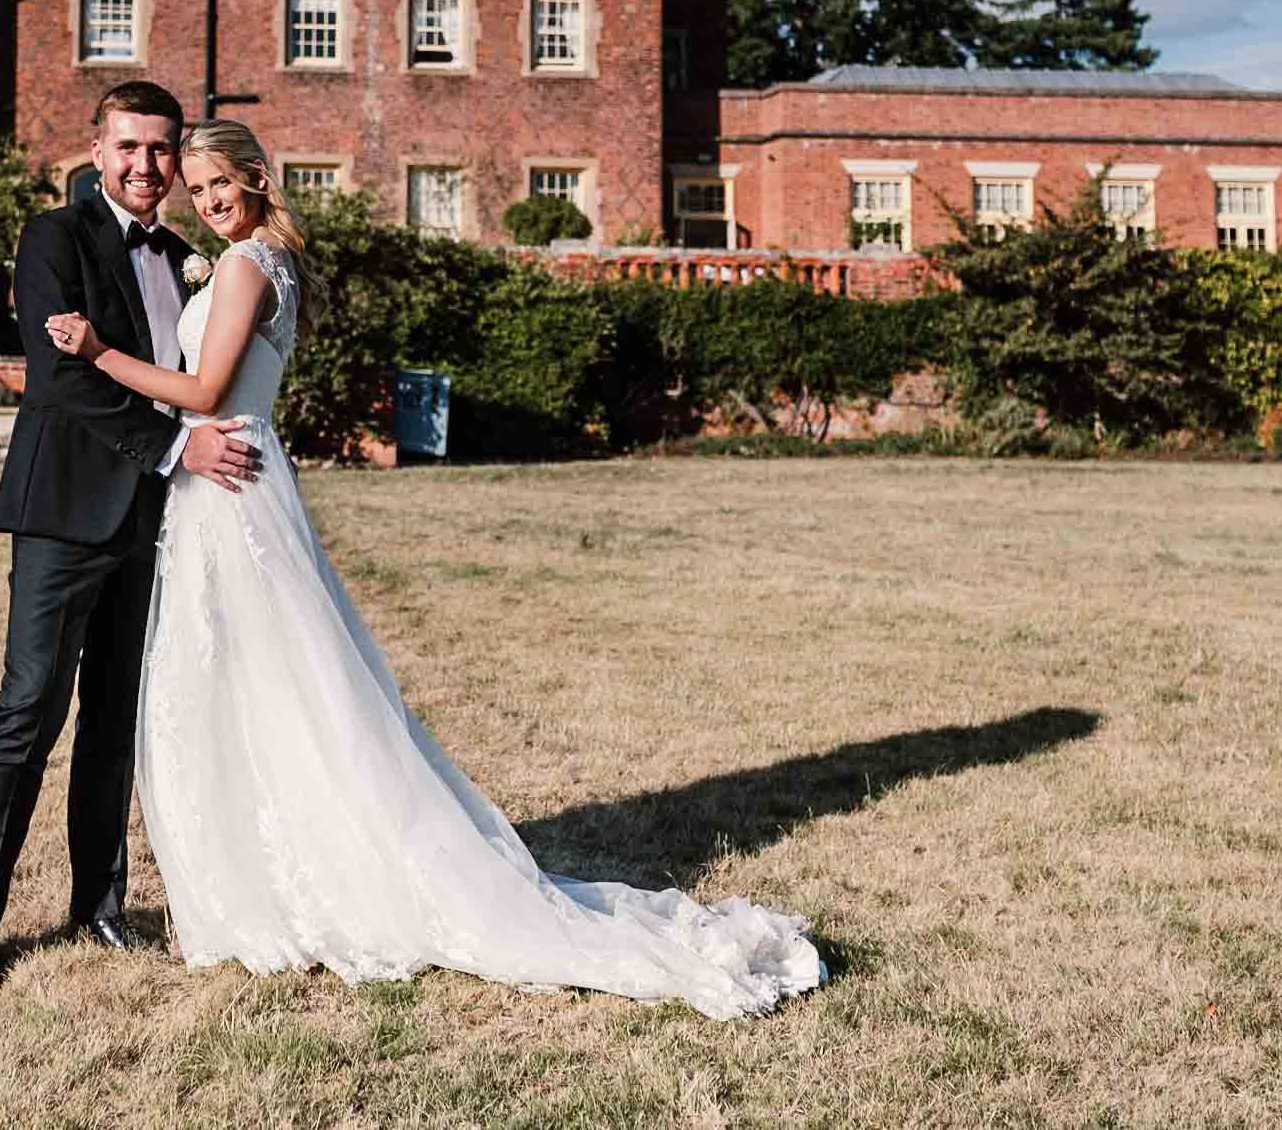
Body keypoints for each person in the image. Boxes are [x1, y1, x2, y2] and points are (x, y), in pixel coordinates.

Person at [42, 120, 825, 1020]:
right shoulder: (261, 260)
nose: (207, 199)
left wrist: (98, 352)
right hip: (234, 481)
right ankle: (264, 874)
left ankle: (304, 884)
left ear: (257, 178)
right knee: (264, 684)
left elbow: (208, 391)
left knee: (268, 684)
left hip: (231, 484)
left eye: (221, 182)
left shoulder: (248, 264)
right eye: (197, 187)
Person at [0, 82, 262, 993]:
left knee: (113, 721)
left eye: (161, 150)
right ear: (98, 151)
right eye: (129, 146)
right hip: (63, 513)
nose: (146, 166)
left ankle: (98, 907)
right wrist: (177, 448)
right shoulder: (54, 239)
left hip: (154, 524)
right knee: (28, 713)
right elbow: (58, 380)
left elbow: (191, 376)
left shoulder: (184, 252)